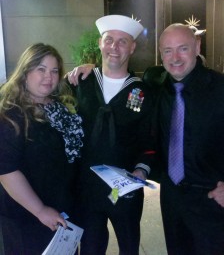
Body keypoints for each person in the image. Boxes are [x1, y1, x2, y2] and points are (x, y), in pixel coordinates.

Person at [67, 15, 156, 255]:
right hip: (86, 189)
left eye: (122, 41)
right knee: (91, 249)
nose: (114, 48)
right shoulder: (79, 82)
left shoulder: (143, 91)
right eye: (109, 40)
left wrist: (141, 169)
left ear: (133, 47)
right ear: (99, 43)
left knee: (129, 248)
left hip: (124, 187)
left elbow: (150, 138)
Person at [0, 43, 84, 254]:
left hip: (62, 211)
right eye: (41, 69)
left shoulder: (59, 107)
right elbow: (6, 171)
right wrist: (40, 210)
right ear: (25, 72)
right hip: (28, 216)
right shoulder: (11, 115)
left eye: (54, 71)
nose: (49, 76)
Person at [155, 23, 224, 255]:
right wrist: (90, 69)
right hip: (171, 199)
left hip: (213, 199)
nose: (175, 57)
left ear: (197, 46)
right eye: (167, 50)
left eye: (182, 48)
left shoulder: (221, 89)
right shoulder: (157, 88)